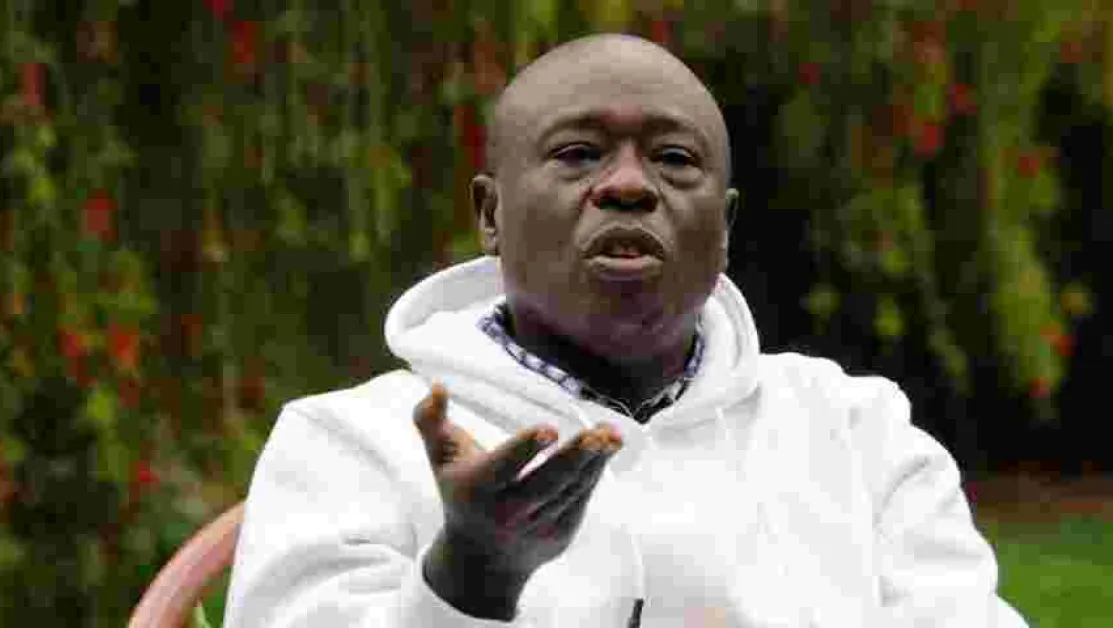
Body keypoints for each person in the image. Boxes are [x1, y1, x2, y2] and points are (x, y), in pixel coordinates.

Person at [224, 33, 1029, 627]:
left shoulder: (857, 431)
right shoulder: (347, 443)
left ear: (725, 226)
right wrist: (468, 578)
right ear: (491, 214)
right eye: (579, 153)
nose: (629, 186)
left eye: (674, 159)